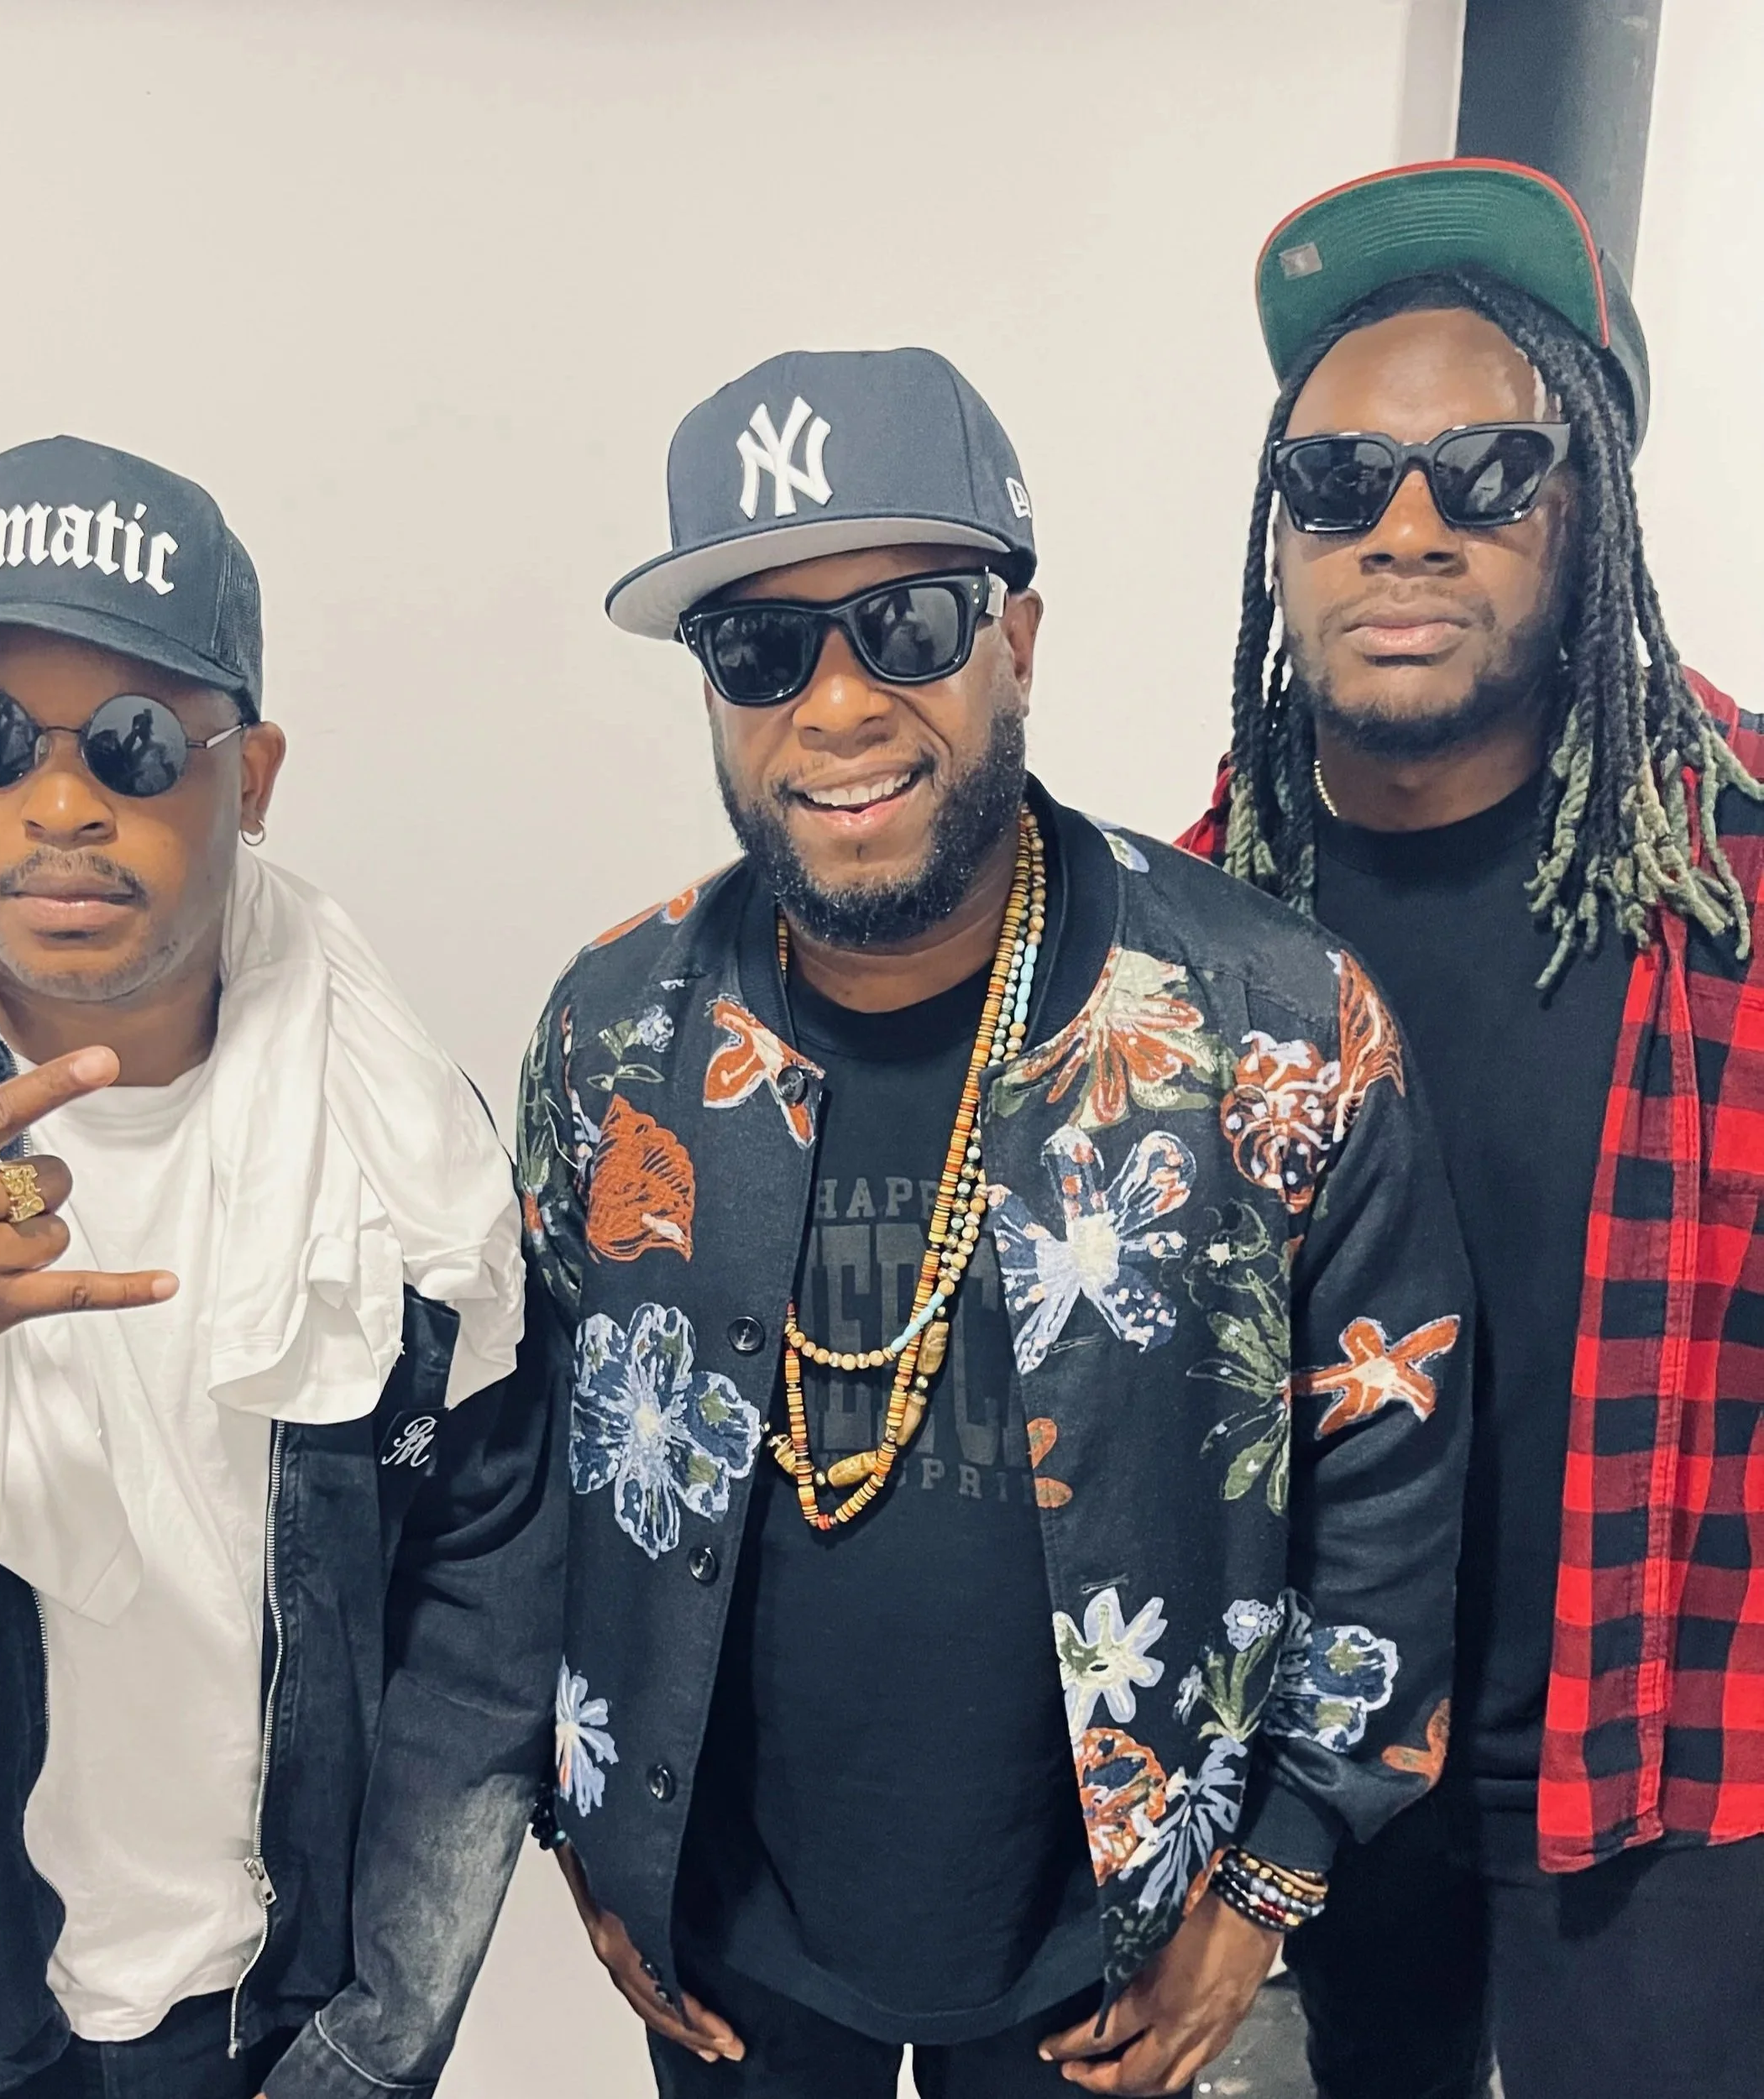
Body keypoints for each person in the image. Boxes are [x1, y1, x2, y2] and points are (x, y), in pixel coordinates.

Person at [518, 347, 1472, 2098]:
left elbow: (1391, 1474)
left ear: (1013, 641)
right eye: (758, 648)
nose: (835, 705)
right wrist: (579, 1812)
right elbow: (529, 1458)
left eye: (906, 625)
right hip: (723, 1931)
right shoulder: (616, 1033)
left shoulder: (1267, 1022)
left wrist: (1269, 1873)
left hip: (1107, 1937)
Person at [0, 436, 555, 2099]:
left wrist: (373, 2041)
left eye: (135, 742)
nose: (61, 805)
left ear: (253, 776)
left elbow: (485, 1606)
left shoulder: (403, 1144)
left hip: (259, 2029)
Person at [1184, 159, 1764, 2099]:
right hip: (1318, 1781)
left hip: (1675, 1773)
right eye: (1337, 480)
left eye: (1485, 471)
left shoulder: (1740, 874)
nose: (1404, 528)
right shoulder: (1187, 926)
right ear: (1279, 533)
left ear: (1583, 504)